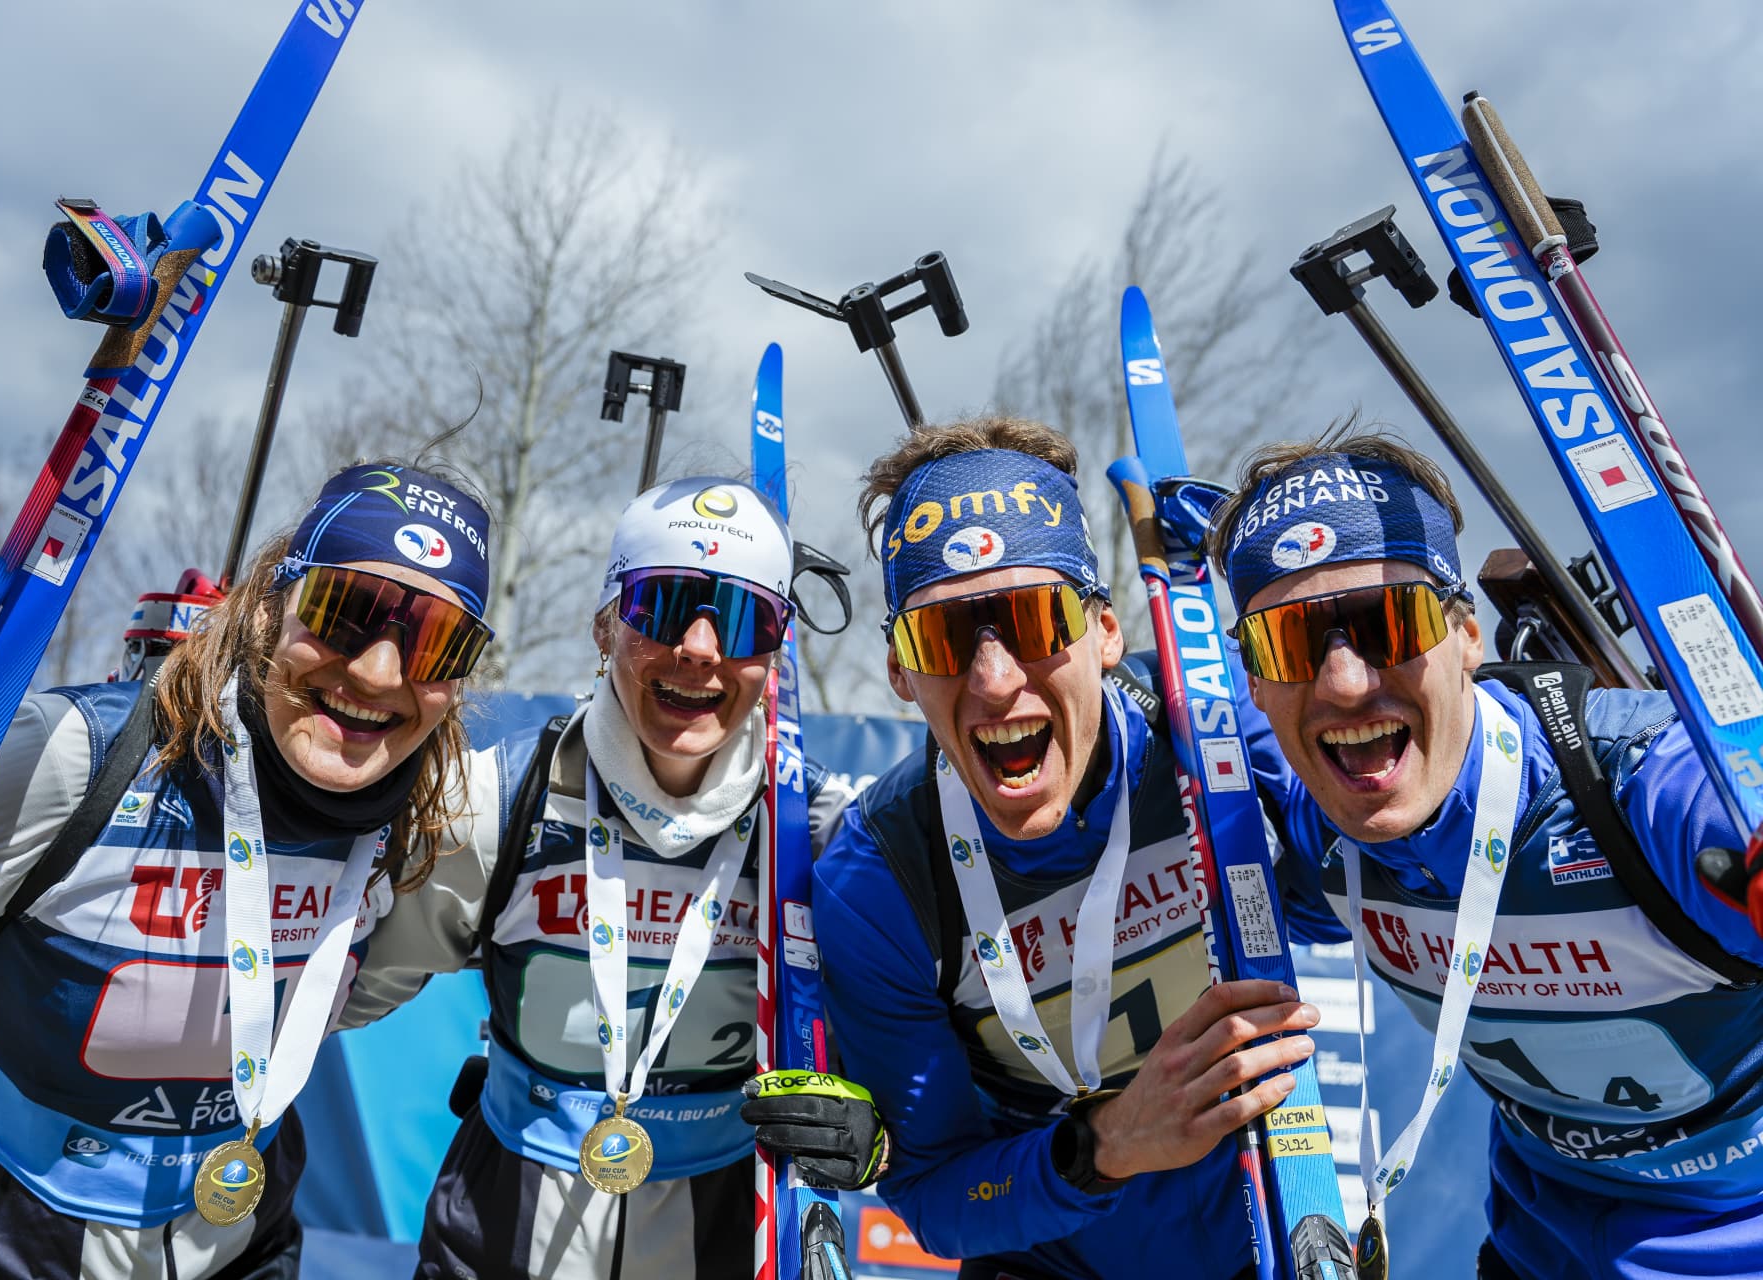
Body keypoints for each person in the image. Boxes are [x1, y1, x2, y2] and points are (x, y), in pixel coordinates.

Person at [0, 461, 497, 1279]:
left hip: (240, 1246)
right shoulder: (76, 756)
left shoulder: (431, 822)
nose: (377, 673)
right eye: (342, 611)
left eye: (439, 643)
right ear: (266, 606)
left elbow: (358, 997)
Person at [1206, 425, 1763, 1279]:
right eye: (1291, 643)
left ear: (1467, 634)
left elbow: (1701, 793)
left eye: (1388, 623)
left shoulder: (1635, 786)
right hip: (1541, 1249)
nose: (1345, 683)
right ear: (1257, 680)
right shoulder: (1332, 834)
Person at [795, 416, 1319, 1280]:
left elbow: (1363, 893)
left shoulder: (1214, 729)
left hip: (1260, 1237)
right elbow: (933, 1197)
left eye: (1033, 619)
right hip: (1047, 1263)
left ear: (1105, 634)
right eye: (942, 637)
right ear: (898, 672)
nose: (994, 679)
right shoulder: (881, 876)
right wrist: (1106, 1145)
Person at [344, 476, 857, 1280]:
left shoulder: (820, 829)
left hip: (726, 1227)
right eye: (662, 604)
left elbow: (915, 1034)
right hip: (504, 1223)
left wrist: (873, 1128)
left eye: (741, 618)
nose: (699, 647)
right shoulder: (494, 800)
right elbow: (333, 997)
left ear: (774, 650)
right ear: (604, 625)